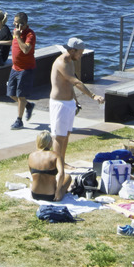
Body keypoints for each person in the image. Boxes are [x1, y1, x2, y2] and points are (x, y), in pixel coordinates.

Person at [45, 39, 99, 173]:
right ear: (72, 50)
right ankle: (56, 165)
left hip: (69, 103)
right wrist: (93, 96)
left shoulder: (71, 62)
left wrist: (75, 101)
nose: (81, 56)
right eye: (80, 53)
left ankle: (62, 161)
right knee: (58, 136)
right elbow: (75, 81)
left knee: (67, 134)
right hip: (59, 104)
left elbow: (69, 84)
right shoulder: (61, 62)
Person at [6, 12, 37, 129]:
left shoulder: (30, 35)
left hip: (25, 69)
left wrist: (18, 36)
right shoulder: (15, 32)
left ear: (23, 24)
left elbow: (25, 50)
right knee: (10, 93)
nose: (14, 24)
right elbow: (13, 42)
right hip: (15, 68)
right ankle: (28, 105)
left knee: (20, 95)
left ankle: (19, 120)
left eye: (16, 23)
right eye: (14, 22)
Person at [27, 137, 66, 201]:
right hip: (51, 196)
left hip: (35, 194)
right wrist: (58, 191)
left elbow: (32, 173)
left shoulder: (31, 155)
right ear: (50, 143)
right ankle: (60, 191)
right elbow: (61, 174)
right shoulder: (56, 155)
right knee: (68, 178)